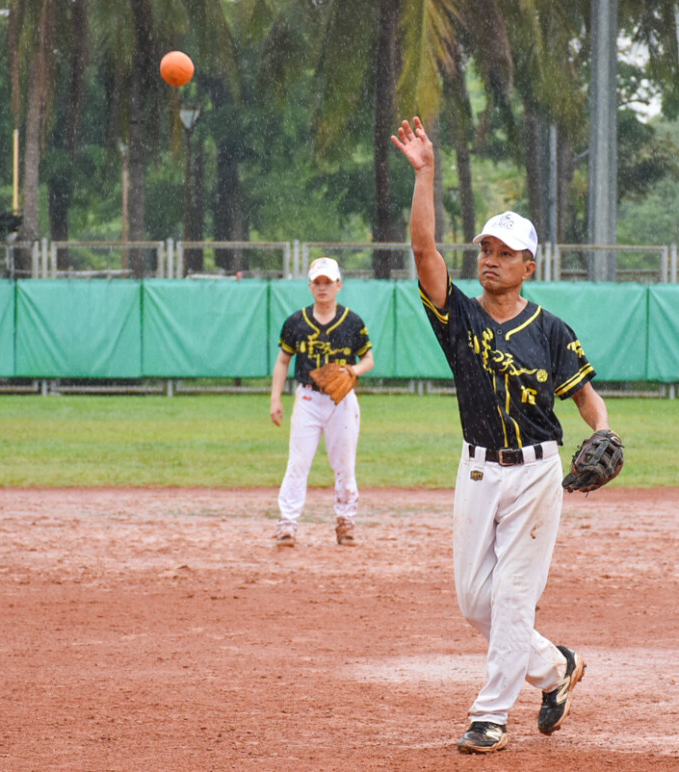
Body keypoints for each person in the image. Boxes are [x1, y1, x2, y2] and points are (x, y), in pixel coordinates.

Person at [392, 116, 615, 754]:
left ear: (528, 263)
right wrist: (426, 173)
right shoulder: (457, 316)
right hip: (478, 469)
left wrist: (604, 433)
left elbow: (587, 399)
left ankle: (491, 716)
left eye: (503, 252)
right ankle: (556, 669)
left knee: (514, 597)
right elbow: (423, 251)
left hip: (538, 472)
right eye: (485, 250)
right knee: (475, 603)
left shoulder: (551, 329)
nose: (489, 259)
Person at [270, 257, 374, 546]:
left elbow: (368, 359)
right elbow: (283, 361)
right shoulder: (296, 322)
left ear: (339, 285)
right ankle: (287, 525)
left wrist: (353, 370)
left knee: (344, 464)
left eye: (328, 282)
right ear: (310, 286)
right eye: (317, 282)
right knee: (298, 463)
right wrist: (275, 398)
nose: (323, 287)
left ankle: (346, 521)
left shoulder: (352, 322)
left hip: (342, 401)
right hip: (307, 397)